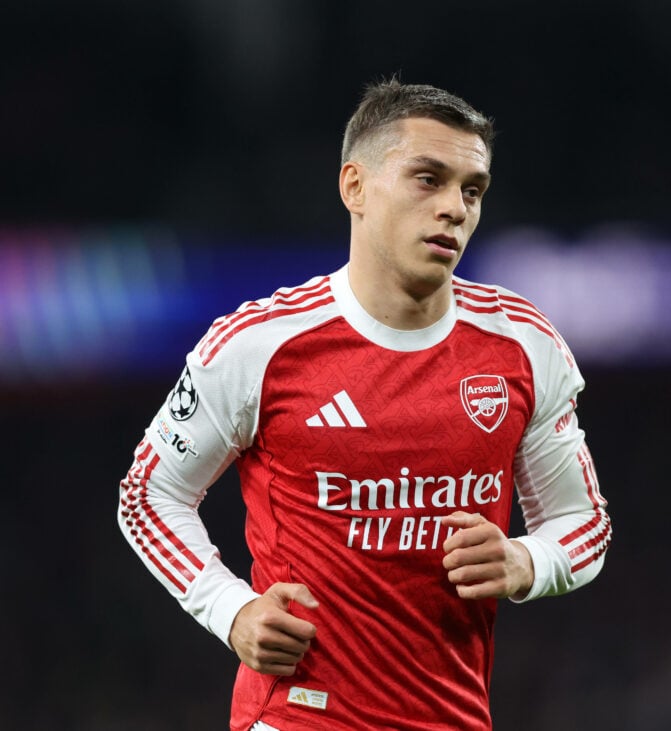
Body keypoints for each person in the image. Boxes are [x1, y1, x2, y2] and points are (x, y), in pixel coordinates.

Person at [117, 78, 611, 731]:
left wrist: (527, 560)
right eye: (427, 179)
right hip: (297, 717)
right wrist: (230, 609)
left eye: (472, 190)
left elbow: (584, 521)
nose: (455, 209)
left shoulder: (522, 343)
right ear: (355, 186)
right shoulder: (258, 345)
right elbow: (148, 495)